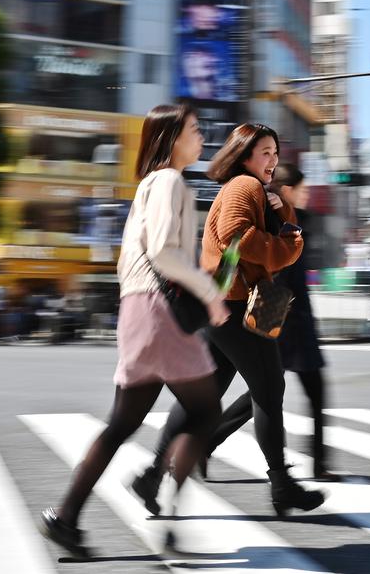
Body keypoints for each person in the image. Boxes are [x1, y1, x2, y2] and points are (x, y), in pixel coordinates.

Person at [39, 104, 229, 559]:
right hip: (163, 312)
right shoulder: (168, 182)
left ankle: (65, 518)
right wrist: (211, 293)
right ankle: (167, 521)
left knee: (122, 422)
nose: (202, 137)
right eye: (195, 130)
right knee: (205, 414)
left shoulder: (150, 184)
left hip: (137, 309)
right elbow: (165, 252)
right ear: (171, 138)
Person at [132, 124, 326, 518]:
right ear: (244, 155)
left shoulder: (253, 189)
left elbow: (272, 230)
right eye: (265, 153)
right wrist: (287, 244)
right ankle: (282, 485)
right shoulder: (244, 186)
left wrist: (282, 214)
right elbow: (236, 234)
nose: (272, 160)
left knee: (204, 397)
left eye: (275, 152)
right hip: (235, 307)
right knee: (270, 388)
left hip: (220, 306)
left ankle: (152, 473)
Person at [197, 163, 340, 481]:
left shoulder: (293, 218)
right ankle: (208, 444)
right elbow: (269, 267)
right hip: (281, 318)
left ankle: (206, 442)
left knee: (263, 391)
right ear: (287, 190)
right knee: (266, 392)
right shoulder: (276, 217)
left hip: (290, 318)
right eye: (302, 190)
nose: (305, 195)